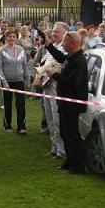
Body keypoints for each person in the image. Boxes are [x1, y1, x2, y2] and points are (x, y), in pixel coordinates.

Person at [44, 30, 88, 174]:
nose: (63, 44)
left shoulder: (79, 61)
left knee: (72, 135)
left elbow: (72, 82)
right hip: (65, 103)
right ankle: (69, 161)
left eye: (65, 42)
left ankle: (77, 165)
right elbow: (61, 57)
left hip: (72, 104)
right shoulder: (71, 57)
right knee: (65, 133)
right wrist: (49, 45)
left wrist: (54, 75)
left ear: (73, 43)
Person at [34, 22, 67, 159]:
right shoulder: (51, 47)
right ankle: (54, 148)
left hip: (56, 86)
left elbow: (60, 66)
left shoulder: (64, 48)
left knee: (57, 118)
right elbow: (43, 64)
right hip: (46, 84)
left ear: (64, 33)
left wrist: (49, 72)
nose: (54, 34)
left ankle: (62, 151)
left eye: (57, 32)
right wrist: (38, 76)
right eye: (53, 31)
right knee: (49, 117)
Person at [0, 29, 31, 134]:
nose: (12, 38)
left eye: (14, 36)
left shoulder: (21, 49)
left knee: (21, 104)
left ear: (16, 37)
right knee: (7, 104)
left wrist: (28, 80)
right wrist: (4, 82)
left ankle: (21, 126)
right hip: (7, 81)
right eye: (9, 36)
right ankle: (7, 126)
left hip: (19, 80)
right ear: (6, 38)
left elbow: (25, 66)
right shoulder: (1, 50)